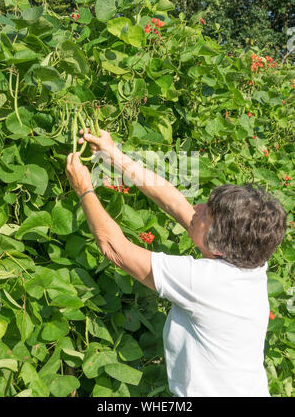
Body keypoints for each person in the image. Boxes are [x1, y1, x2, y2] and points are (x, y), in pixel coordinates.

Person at [65, 127, 287, 397]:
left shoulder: (208, 283)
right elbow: (175, 204)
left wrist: (84, 189)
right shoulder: (250, 261)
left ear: (218, 247)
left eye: (206, 214)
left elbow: (115, 249)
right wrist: (113, 155)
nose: (196, 208)